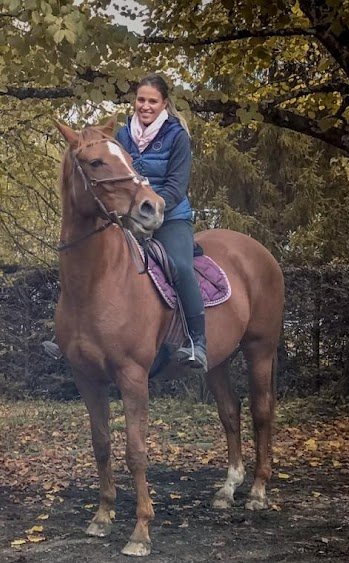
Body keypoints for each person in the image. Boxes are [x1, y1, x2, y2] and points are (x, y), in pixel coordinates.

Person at [115, 74, 207, 371]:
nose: (145, 106)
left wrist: (150, 209)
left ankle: (197, 341)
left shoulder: (177, 135)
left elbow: (176, 185)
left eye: (152, 101)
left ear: (164, 103)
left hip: (170, 217)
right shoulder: (122, 135)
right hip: (130, 216)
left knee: (180, 267)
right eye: (141, 100)